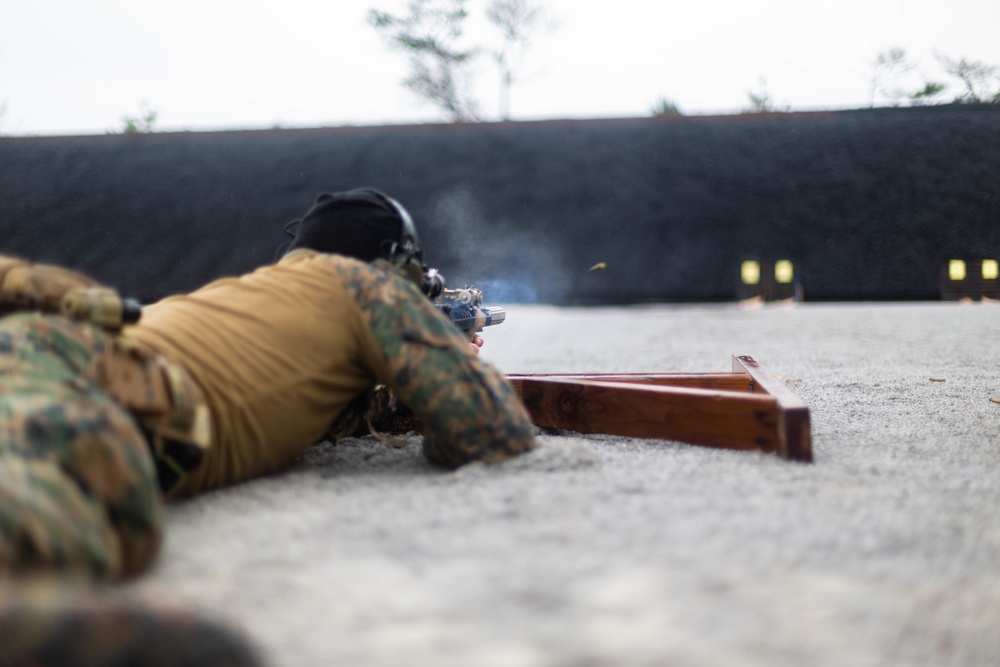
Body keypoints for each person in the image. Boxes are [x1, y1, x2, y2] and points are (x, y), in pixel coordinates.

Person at [0, 188, 538, 582]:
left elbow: (296, 392)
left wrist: (393, 391)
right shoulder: (368, 287)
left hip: (47, 347)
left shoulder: (257, 295)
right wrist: (448, 372)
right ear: (395, 267)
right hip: (108, 386)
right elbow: (491, 431)